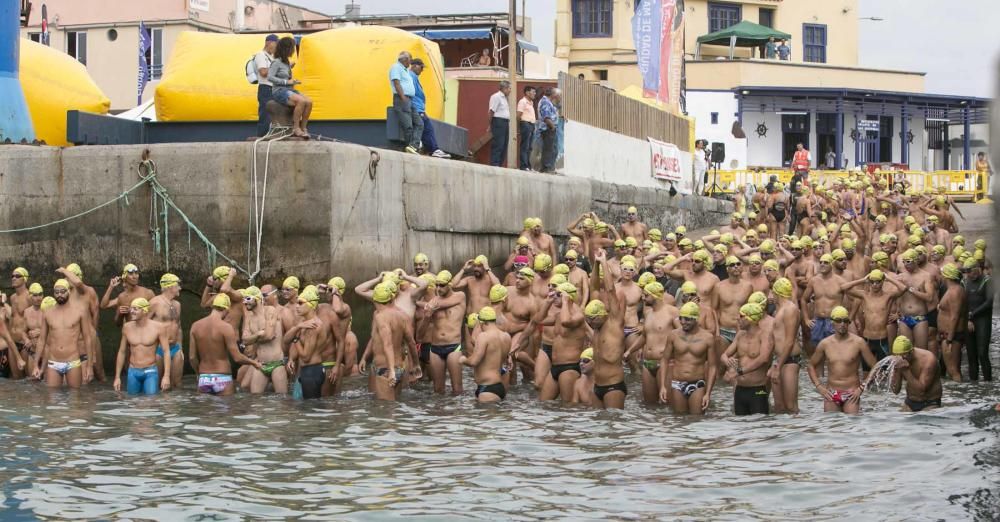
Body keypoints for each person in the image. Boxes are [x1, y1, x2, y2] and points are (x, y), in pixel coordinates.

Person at [806, 306, 876, 414]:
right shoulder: (825, 344)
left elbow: (875, 366)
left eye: (845, 321)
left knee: (852, 426)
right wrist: (819, 387)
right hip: (831, 393)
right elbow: (810, 365)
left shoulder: (859, 343)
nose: (842, 324)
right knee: (832, 425)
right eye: (838, 321)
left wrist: (861, 388)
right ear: (832, 322)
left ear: (849, 323)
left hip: (852, 393)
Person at [189, 294, 261, 396]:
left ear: (213, 306)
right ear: (226, 309)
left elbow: (192, 357)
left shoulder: (195, 326)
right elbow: (237, 357)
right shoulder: (226, 327)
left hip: (204, 378)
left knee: (204, 411)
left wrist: (198, 373)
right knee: (226, 411)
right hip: (222, 377)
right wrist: (254, 363)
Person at [33, 279, 94, 388]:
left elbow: (87, 338)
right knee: (53, 400)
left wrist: (89, 366)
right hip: (53, 362)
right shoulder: (48, 313)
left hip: (73, 361)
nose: (59, 295)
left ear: (69, 292)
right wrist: (35, 365)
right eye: (57, 292)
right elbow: (42, 340)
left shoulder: (79, 311)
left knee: (75, 399)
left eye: (62, 291)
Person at [659, 302, 716, 415]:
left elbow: (713, 366)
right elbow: (664, 360)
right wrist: (663, 386)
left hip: (697, 384)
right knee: (679, 421)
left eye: (688, 319)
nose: (683, 322)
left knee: (697, 420)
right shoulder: (673, 335)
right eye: (681, 318)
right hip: (677, 384)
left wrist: (708, 393)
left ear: (696, 319)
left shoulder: (707, 338)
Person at [587, 250, 628, 409]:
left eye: (594, 319)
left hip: (613, 386)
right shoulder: (596, 327)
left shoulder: (615, 323)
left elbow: (611, 291)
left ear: (604, 315)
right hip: (597, 385)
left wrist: (604, 262)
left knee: (614, 427)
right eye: (588, 319)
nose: (591, 323)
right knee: (597, 427)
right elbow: (594, 288)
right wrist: (596, 264)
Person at [283, 288, 339, 400]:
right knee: (309, 410)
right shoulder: (303, 323)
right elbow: (285, 340)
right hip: (308, 371)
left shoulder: (314, 326)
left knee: (311, 408)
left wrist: (296, 338)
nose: (297, 306)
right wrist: (298, 327)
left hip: (312, 371)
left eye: (300, 303)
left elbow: (306, 356)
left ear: (311, 305)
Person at [721, 303, 773, 415]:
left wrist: (739, 372)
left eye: (741, 316)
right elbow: (724, 355)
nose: (737, 319)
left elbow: (763, 358)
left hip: (757, 389)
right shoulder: (740, 335)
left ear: (751, 319)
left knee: (759, 426)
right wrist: (728, 364)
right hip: (740, 389)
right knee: (740, 427)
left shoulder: (764, 336)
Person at [113, 298, 172, 395]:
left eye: (135, 309)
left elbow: (166, 351)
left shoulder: (159, 328)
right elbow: (122, 351)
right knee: (133, 402)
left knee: (150, 402)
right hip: (132, 371)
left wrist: (166, 376)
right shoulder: (127, 327)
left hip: (150, 371)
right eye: (131, 308)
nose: (131, 311)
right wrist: (117, 377)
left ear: (144, 311)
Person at [422, 270, 467, 394]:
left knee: (457, 389)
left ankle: (458, 413)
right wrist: (426, 316)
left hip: (453, 346)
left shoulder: (460, 296)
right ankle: (439, 413)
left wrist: (427, 305)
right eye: (436, 285)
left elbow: (444, 303)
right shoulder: (432, 303)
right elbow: (419, 335)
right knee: (437, 390)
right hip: (435, 348)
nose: (438, 288)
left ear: (450, 284)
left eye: (441, 285)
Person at [241, 286, 287, 394]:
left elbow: (269, 335)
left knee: (282, 401)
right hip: (261, 365)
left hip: (277, 364)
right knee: (255, 401)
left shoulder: (270, 310)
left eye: (248, 299)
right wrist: (258, 334)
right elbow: (244, 341)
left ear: (257, 298)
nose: (244, 302)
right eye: (244, 299)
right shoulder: (249, 317)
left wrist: (253, 338)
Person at [460, 306, 511, 402]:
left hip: (488, 389)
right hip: (499, 385)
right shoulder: (506, 336)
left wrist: (463, 359)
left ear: (482, 322)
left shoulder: (484, 336)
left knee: (486, 416)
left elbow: (474, 361)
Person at [269, 36, 312, 138]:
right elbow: (270, 77)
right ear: (286, 48)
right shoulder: (276, 62)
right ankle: (296, 128)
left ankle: (303, 128)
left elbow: (288, 79)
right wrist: (286, 81)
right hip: (279, 90)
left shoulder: (286, 62)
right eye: (292, 48)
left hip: (288, 89)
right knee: (301, 101)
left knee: (309, 102)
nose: (293, 50)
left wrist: (293, 82)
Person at [887, 336, 943, 412]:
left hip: (930, 403)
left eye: (904, 356)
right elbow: (895, 390)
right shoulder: (900, 360)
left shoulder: (928, 359)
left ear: (911, 351)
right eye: (897, 356)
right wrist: (896, 370)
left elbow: (921, 391)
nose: (901, 359)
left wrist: (906, 370)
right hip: (910, 402)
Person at [148, 273, 184, 389]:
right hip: (159, 349)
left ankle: (172, 406)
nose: (180, 288)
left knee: (176, 385)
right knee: (158, 385)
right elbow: (144, 325)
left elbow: (178, 327)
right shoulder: (154, 302)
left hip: (175, 348)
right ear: (170, 286)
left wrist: (180, 347)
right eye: (178, 285)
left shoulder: (177, 305)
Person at [409, 58, 450, 159]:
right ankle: (433, 149)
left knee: (425, 128)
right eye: (421, 67)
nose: (422, 70)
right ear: (414, 66)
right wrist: (417, 109)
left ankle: (429, 149)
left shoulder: (414, 77)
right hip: (416, 109)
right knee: (428, 129)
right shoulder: (411, 76)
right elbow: (411, 93)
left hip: (419, 109)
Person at [964, 257, 993, 381]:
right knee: (971, 356)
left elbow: (989, 302)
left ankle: (988, 383)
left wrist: (972, 314)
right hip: (968, 320)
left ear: (978, 269)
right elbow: (961, 302)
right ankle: (973, 385)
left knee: (982, 354)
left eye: (972, 271)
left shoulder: (988, 281)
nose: (970, 275)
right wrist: (967, 318)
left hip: (983, 320)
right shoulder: (964, 282)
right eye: (968, 272)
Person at [390, 51, 422, 154]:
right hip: (402, 99)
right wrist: (403, 97)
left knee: (419, 123)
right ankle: (410, 147)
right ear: (405, 59)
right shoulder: (396, 67)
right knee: (408, 126)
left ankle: (413, 145)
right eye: (410, 60)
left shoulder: (406, 70)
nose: (410, 63)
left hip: (410, 100)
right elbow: (396, 83)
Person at [253, 34, 278, 137]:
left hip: (273, 88)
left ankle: (271, 134)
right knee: (265, 113)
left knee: (273, 113)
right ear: (268, 43)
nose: (277, 48)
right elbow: (263, 72)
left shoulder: (271, 57)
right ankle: (262, 135)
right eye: (275, 44)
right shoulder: (261, 55)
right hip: (265, 88)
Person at [488, 81, 512, 167]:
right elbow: (491, 111)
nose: (510, 91)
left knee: (504, 145)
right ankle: (494, 164)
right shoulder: (496, 97)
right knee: (498, 144)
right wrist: (490, 125)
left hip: (505, 123)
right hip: (498, 122)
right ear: (504, 88)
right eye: (509, 88)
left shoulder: (505, 98)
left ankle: (499, 164)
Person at [537, 87, 560, 173]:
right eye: (557, 94)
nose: (558, 96)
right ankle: (546, 167)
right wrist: (553, 126)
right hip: (548, 128)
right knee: (548, 149)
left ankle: (550, 167)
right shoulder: (545, 102)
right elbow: (546, 117)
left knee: (553, 148)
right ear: (553, 94)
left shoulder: (549, 102)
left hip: (550, 128)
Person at [516, 86, 537, 170]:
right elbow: (518, 115)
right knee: (525, 146)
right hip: (525, 124)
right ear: (527, 93)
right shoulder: (522, 102)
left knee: (530, 147)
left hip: (531, 125)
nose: (535, 94)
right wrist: (518, 127)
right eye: (533, 92)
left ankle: (528, 165)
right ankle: (523, 166)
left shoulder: (531, 102)